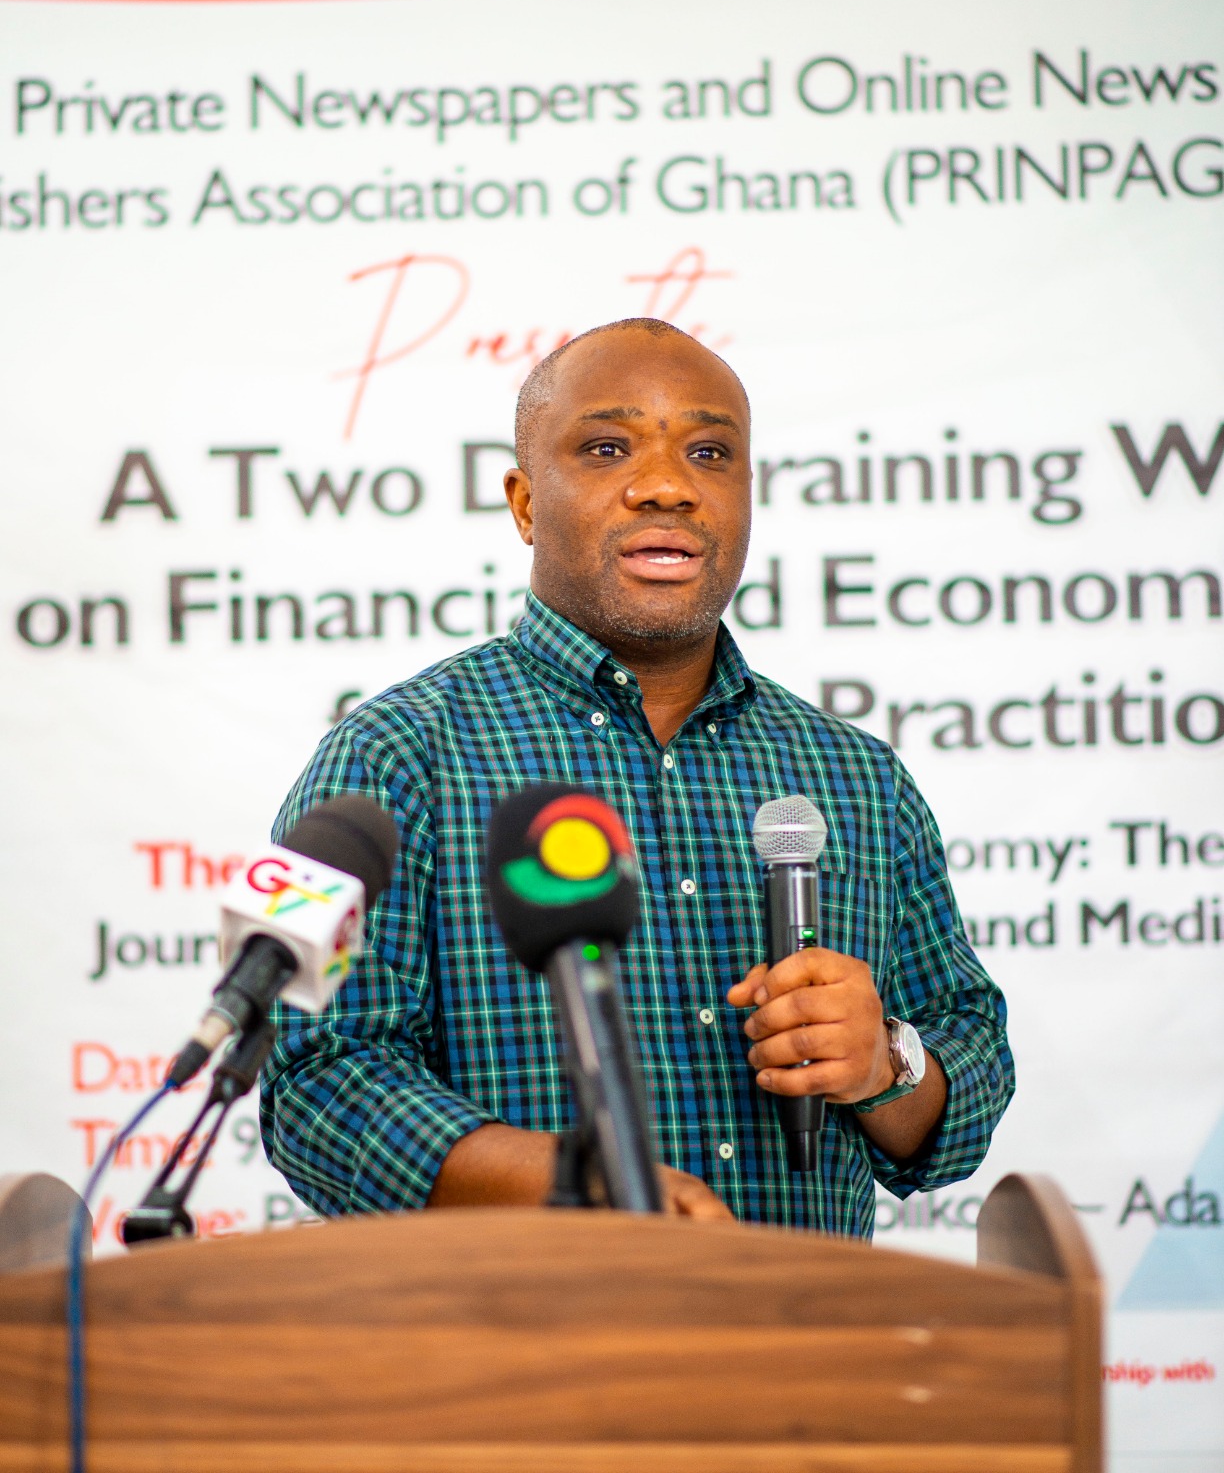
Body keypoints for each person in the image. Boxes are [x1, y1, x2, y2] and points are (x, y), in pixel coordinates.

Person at [260, 317, 1014, 1230]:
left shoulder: (860, 777)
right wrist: (574, 1181)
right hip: (527, 1318)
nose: (668, 485)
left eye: (710, 453)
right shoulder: (385, 757)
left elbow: (968, 1082)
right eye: (607, 448)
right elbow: (313, 1083)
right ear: (525, 503)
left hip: (798, 1317)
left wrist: (885, 1064)